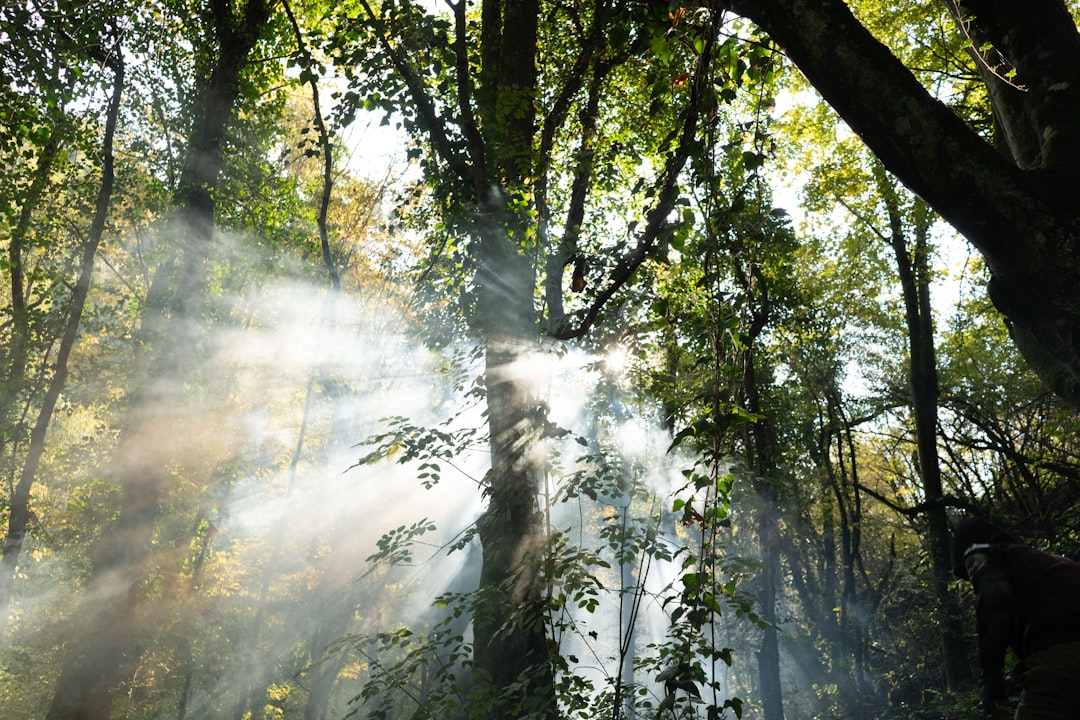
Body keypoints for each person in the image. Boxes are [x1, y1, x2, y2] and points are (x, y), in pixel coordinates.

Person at [952, 518, 1080, 719]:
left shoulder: (978, 553)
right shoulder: (1040, 562)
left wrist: (991, 675)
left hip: (1063, 644)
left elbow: (996, 600)